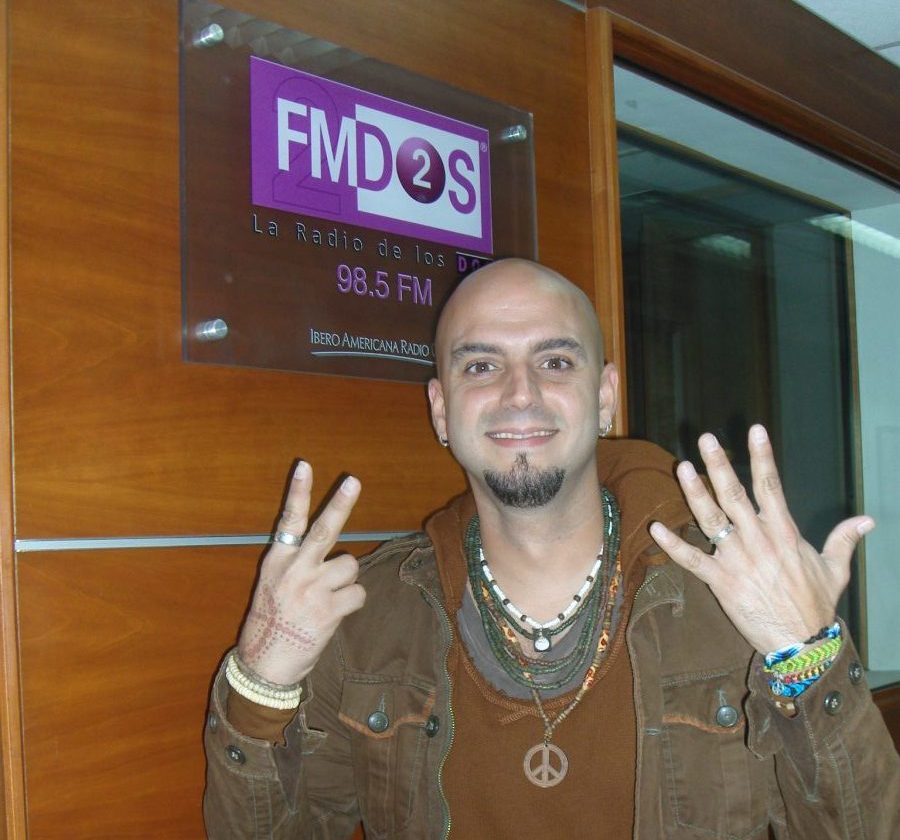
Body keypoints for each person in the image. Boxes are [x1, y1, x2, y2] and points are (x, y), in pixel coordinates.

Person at [204, 258, 900, 838]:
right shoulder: (366, 617)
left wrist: (809, 657)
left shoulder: (732, 596)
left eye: (556, 361)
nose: (520, 393)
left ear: (604, 396)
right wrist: (261, 684)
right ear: (441, 409)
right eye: (482, 366)